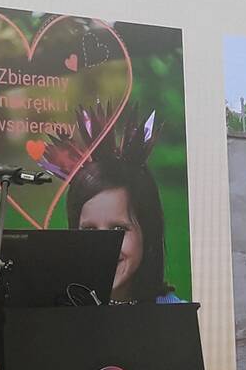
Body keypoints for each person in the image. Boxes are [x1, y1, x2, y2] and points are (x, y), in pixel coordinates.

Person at [54, 103, 181, 305]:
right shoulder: (57, 315)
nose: (104, 246)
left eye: (118, 229)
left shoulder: (175, 314)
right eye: (89, 230)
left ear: (147, 233)